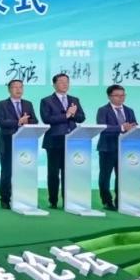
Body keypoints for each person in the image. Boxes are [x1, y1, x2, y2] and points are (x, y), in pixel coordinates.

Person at [40, 73, 86, 209]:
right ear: (54, 85)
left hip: (72, 140)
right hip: (54, 140)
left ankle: (68, 200)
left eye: (67, 82)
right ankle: (53, 200)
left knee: (69, 172)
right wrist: (66, 115)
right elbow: (46, 119)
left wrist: (73, 114)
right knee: (54, 173)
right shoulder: (46, 101)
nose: (65, 84)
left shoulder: (74, 100)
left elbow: (82, 117)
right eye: (61, 82)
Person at [0, 79, 38, 209]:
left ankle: (24, 199)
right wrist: (18, 122)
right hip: (7, 143)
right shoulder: (1, 104)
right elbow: (0, 122)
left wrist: (27, 122)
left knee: (25, 171)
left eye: (20, 87)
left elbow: (35, 120)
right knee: (7, 172)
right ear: (9, 89)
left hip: (25, 143)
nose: (18, 90)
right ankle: (5, 199)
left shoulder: (28, 104)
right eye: (15, 87)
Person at [96, 84, 138, 211]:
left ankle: (120, 201)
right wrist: (121, 127)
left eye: (123, 95)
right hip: (107, 148)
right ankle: (107, 201)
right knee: (105, 177)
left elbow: (134, 124)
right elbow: (102, 128)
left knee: (122, 176)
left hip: (125, 149)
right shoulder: (103, 110)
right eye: (117, 95)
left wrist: (133, 127)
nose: (121, 98)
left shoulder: (129, 110)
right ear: (109, 97)